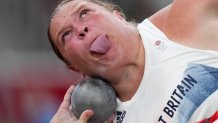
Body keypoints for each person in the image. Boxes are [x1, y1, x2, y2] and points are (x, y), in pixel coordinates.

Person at [47, 0, 218, 122]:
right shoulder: (105, 118)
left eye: (84, 13)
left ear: (118, 15)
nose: (80, 29)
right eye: (66, 34)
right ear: (75, 67)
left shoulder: (180, 22)